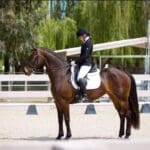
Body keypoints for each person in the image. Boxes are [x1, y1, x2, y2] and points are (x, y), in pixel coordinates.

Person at [75, 28, 93, 102]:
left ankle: (85, 95)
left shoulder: (89, 42)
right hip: (83, 63)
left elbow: (85, 55)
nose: (80, 39)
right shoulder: (84, 43)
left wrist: (76, 62)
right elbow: (81, 55)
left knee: (79, 77)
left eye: (80, 37)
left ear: (84, 35)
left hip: (87, 63)